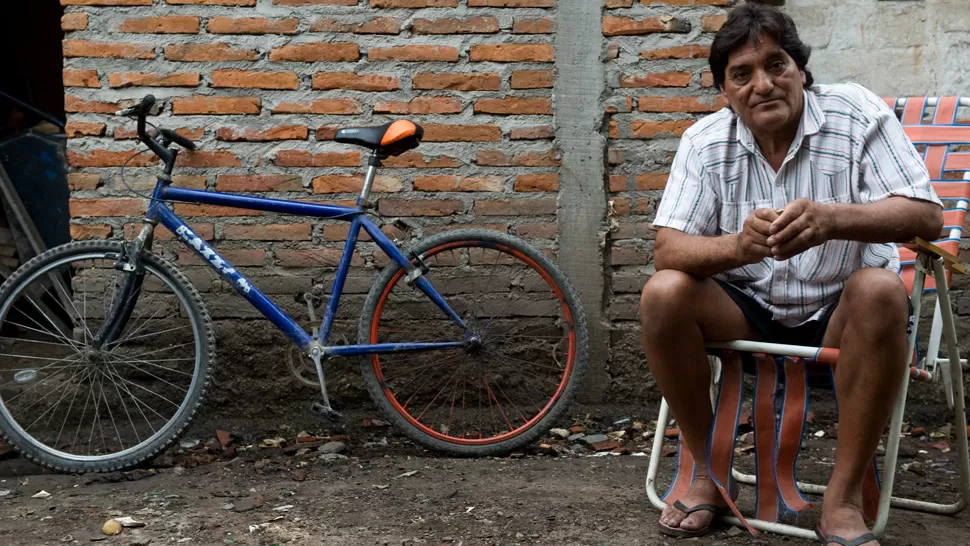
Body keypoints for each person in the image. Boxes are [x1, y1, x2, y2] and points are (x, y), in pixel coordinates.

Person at [640, 3, 943, 545]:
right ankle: (709, 472)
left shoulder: (854, 113)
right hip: (747, 320)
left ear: (801, 70)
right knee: (663, 293)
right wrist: (737, 246)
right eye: (742, 74)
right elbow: (668, 249)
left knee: (879, 287)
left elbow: (926, 216)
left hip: (841, 322)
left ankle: (843, 497)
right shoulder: (706, 142)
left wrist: (834, 219)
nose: (763, 84)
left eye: (776, 64)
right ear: (725, 92)